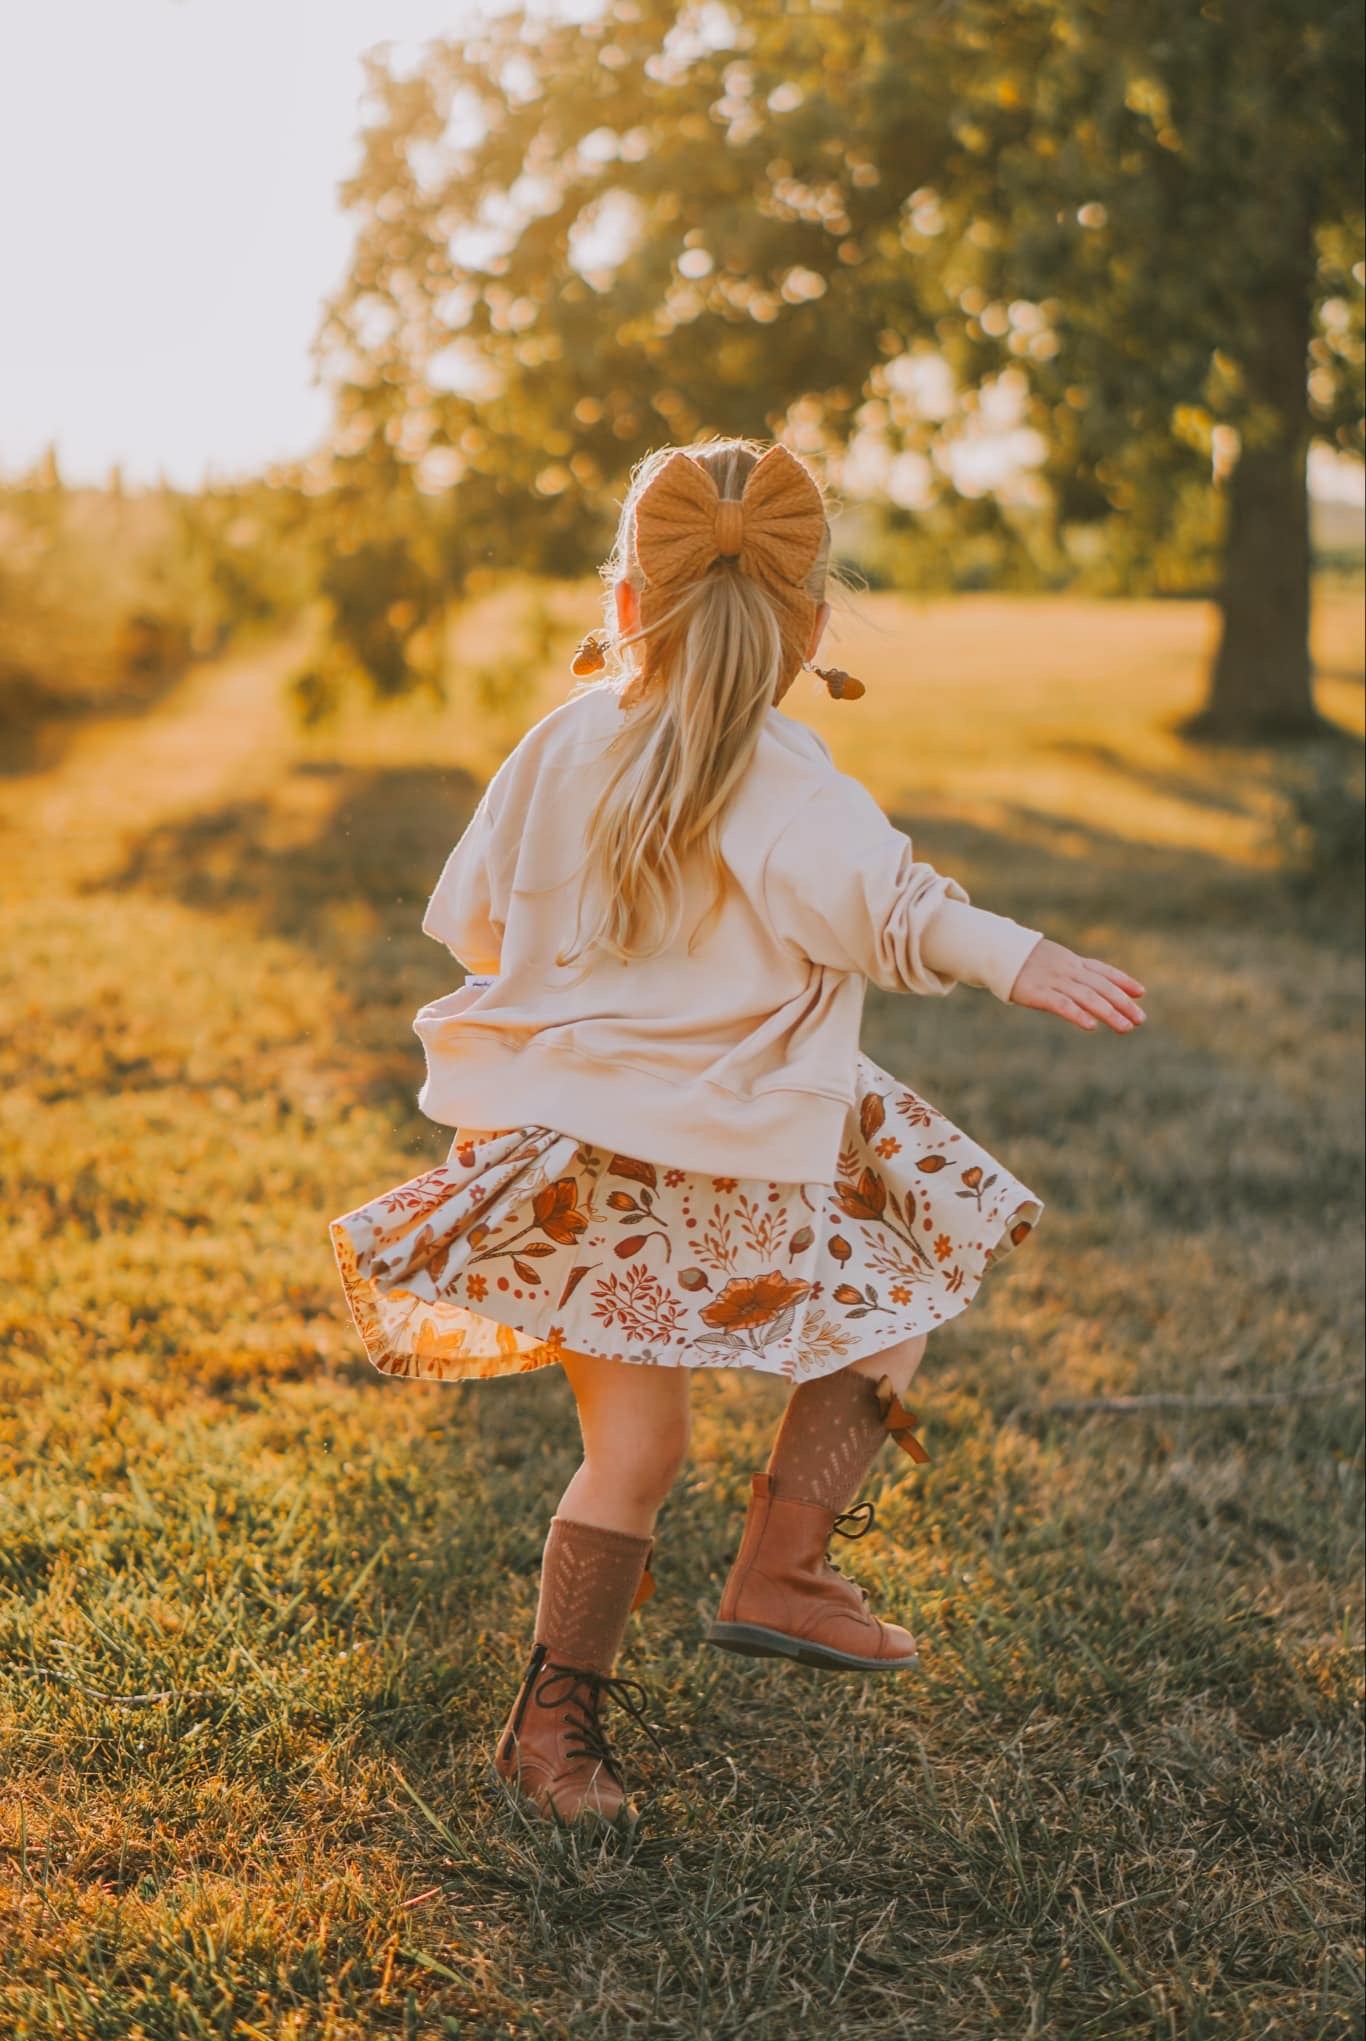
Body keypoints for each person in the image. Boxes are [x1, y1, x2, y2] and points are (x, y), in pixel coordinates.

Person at [330, 438, 1145, 1828]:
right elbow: (891, 908)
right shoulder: (786, 772)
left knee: (634, 1456)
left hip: (580, 1160)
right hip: (737, 1141)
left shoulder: (558, 745)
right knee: (909, 1261)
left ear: (622, 604)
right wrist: (1022, 958)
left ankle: (552, 1742)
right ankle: (784, 1564)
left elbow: (472, 923)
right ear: (811, 627)